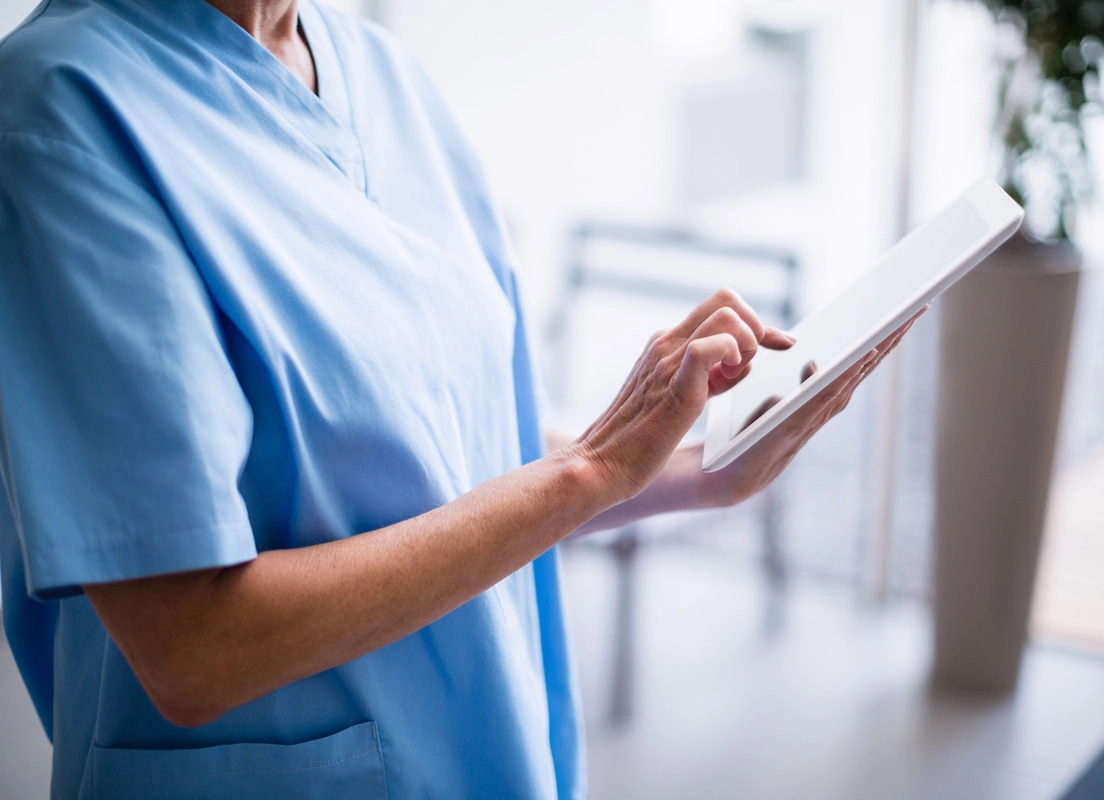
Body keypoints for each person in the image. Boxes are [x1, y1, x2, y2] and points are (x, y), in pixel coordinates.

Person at [0, 0, 916, 797]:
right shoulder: (62, 110)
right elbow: (195, 649)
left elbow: (465, 455)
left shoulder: (385, 77)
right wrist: (590, 472)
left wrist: (698, 471)